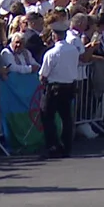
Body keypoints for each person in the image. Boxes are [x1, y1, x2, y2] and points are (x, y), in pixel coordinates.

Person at [38, 21, 81, 158]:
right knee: (66, 117)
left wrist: (43, 80)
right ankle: (67, 146)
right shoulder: (73, 50)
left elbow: (43, 74)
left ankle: (53, 145)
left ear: (54, 35)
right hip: (69, 86)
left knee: (47, 116)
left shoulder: (51, 53)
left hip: (54, 87)